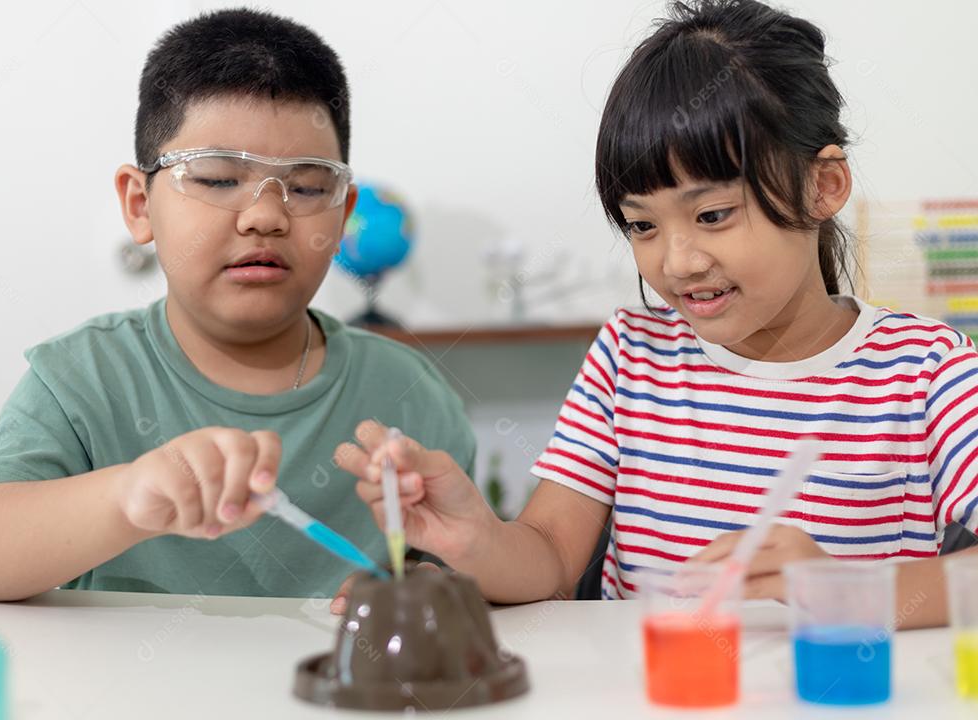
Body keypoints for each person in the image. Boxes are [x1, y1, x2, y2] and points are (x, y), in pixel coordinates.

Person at [335, 0, 978, 628]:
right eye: (642, 225)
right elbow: (553, 558)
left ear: (824, 186)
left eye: (712, 215)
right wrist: (474, 540)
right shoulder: (632, 354)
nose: (678, 262)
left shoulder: (925, 372)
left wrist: (851, 594)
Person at [0, 9, 475, 602]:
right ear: (139, 204)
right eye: (218, 178)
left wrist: (434, 588)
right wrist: (127, 497)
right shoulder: (81, 380)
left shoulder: (411, 393)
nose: (266, 215)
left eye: (307, 187)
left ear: (342, 212)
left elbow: (457, 571)